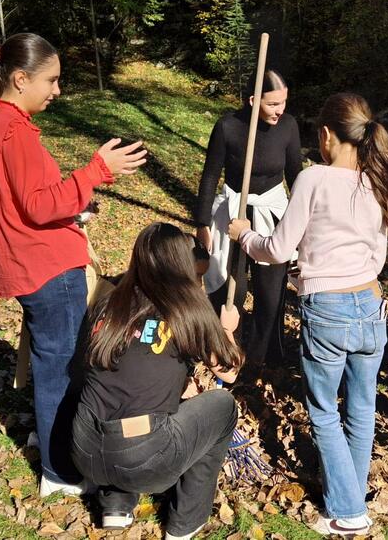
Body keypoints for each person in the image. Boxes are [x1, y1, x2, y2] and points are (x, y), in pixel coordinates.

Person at [0, 33, 147, 497]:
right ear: (20, 79)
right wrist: (95, 170)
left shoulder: (1, 123)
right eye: (52, 80)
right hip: (48, 269)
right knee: (60, 370)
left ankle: (49, 442)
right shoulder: (13, 131)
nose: (58, 90)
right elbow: (39, 206)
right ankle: (60, 470)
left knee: (51, 362)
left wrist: (75, 206)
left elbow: (27, 202)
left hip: (34, 260)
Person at [229, 92, 388, 536]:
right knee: (361, 409)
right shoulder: (377, 179)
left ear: (325, 135)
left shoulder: (313, 178)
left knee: (324, 412)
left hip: (329, 310)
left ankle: (348, 512)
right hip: (371, 304)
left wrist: (244, 234)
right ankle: (351, 494)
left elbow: (277, 249)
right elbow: (377, 257)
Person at [71, 223, 242, 539]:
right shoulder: (188, 310)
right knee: (223, 406)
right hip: (143, 460)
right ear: (181, 262)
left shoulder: (109, 301)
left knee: (120, 397)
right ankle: (185, 522)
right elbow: (229, 372)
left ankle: (115, 505)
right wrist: (227, 330)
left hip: (84, 448)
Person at [194, 70, 302, 366]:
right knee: (231, 289)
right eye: (273, 104)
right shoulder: (227, 127)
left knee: (270, 292)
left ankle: (266, 357)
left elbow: (296, 176)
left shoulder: (288, 126)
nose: (280, 110)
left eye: (283, 102)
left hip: (271, 213)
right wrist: (202, 223)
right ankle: (225, 352)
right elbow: (210, 175)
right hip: (234, 213)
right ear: (253, 100)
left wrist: (303, 223)